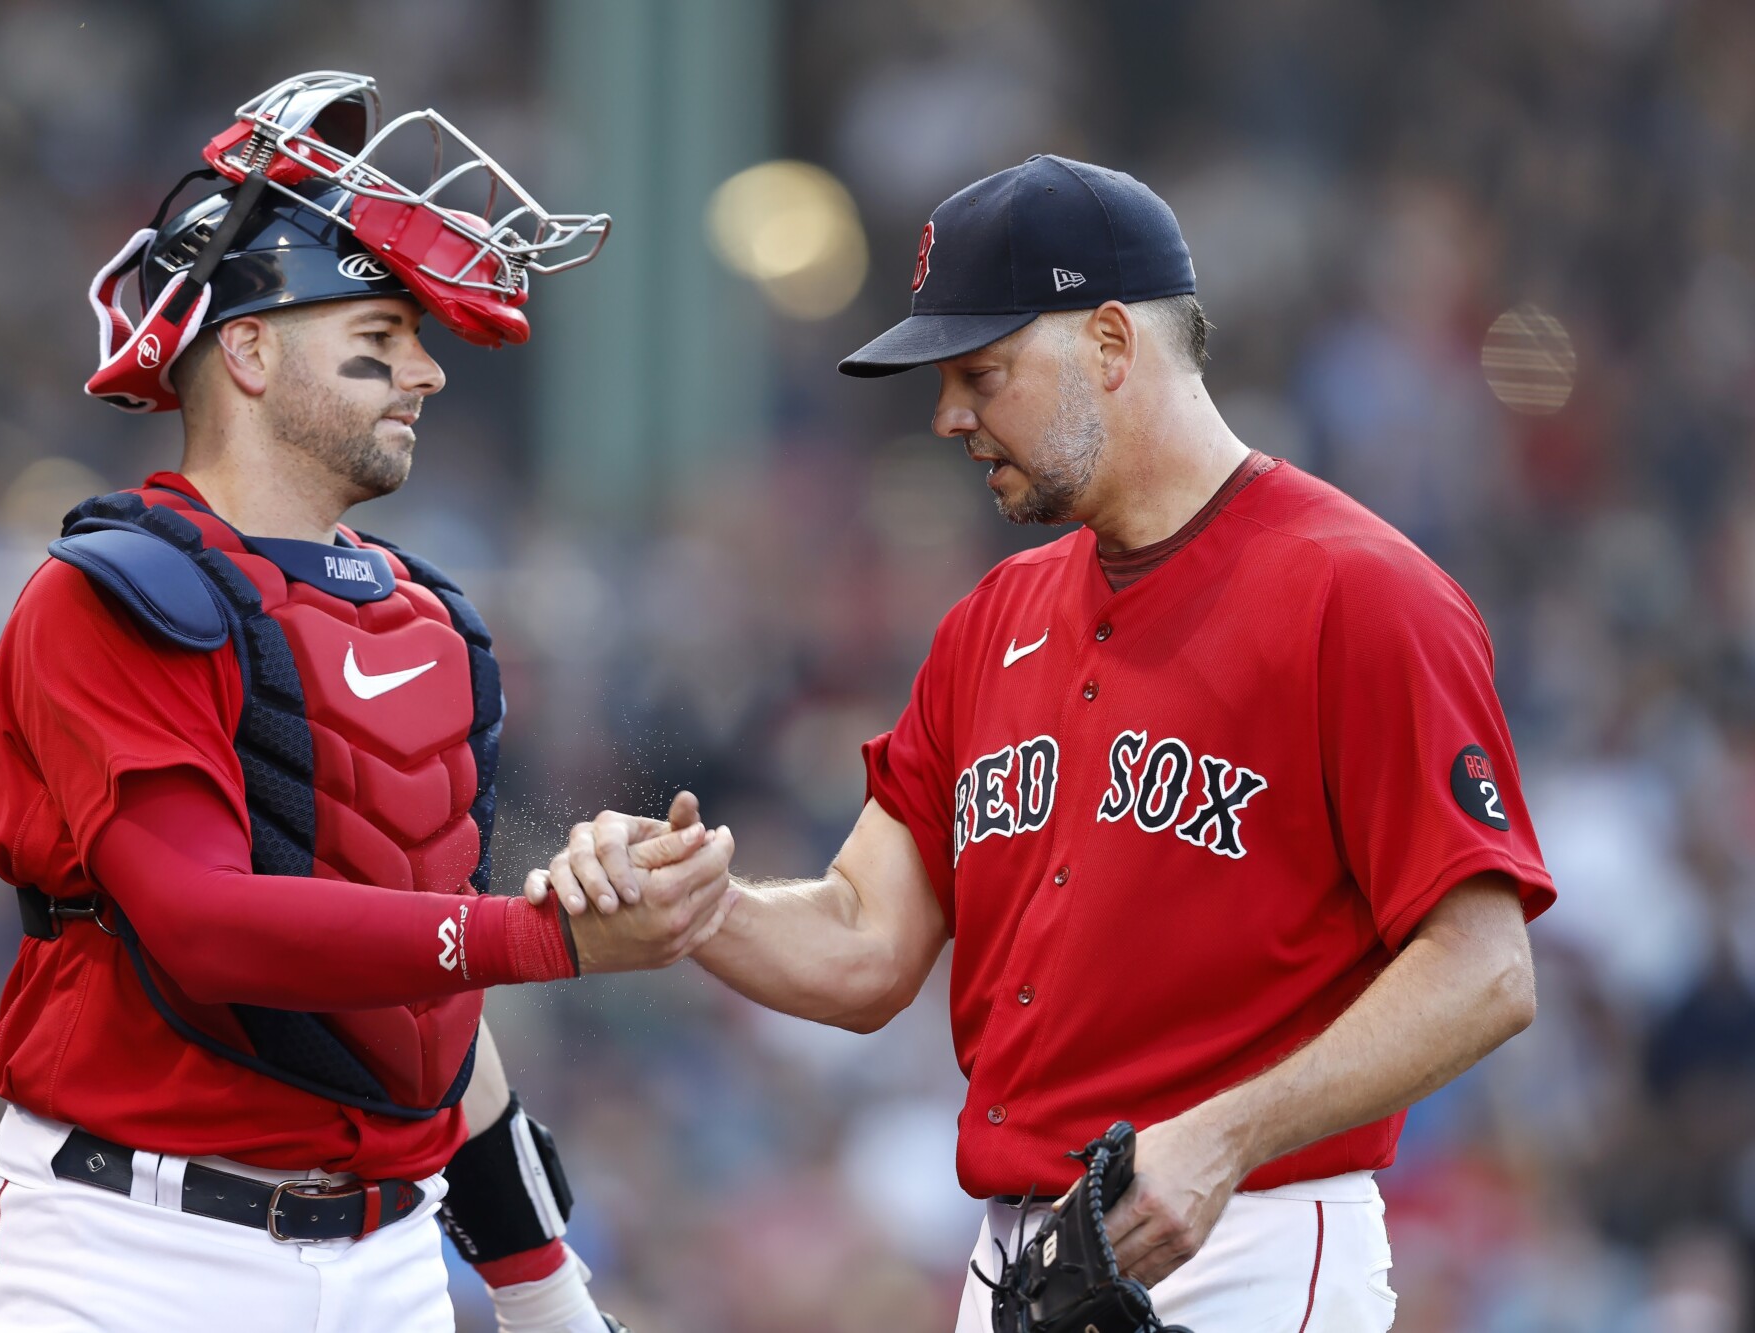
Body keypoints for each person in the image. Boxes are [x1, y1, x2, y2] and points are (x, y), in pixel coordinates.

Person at [530, 156, 1555, 1331]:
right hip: (1011, 1259)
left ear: (1111, 345)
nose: (948, 414)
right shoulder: (992, 619)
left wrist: (1225, 1134)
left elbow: (1483, 970)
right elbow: (866, 945)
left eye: (982, 372)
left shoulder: (1359, 592)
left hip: (1246, 1236)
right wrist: (696, 907)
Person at [0, 73, 731, 1333]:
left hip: (389, 1255)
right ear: (251, 350)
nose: (424, 370)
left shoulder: (427, 619)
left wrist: (541, 1286)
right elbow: (203, 924)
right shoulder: (108, 592)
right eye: (378, 331)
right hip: (130, 1251)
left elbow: (422, 1002)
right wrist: (546, 936)